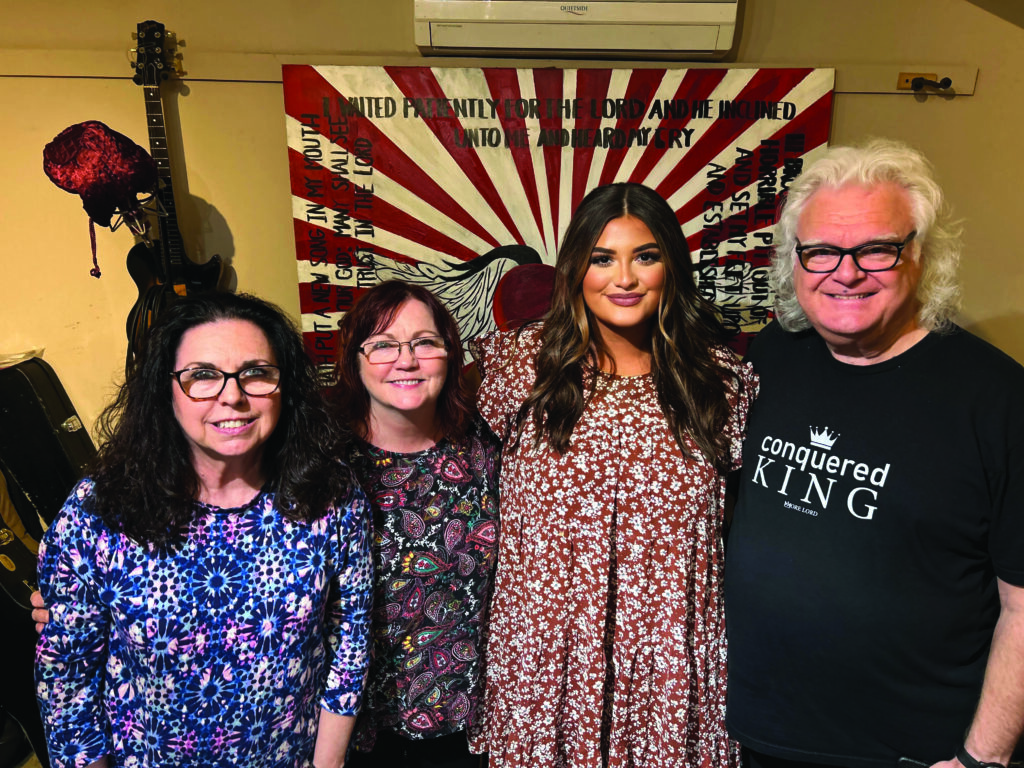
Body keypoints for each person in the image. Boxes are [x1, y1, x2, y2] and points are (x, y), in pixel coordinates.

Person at [724, 139, 1024, 768]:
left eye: (876, 249)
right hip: (760, 735)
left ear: (919, 254)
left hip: (913, 753)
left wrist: (981, 757)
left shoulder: (998, 398)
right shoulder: (774, 354)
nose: (847, 271)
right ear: (794, 261)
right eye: (823, 251)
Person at [468, 182, 757, 768]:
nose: (623, 278)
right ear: (577, 268)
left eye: (645, 256)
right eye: (603, 258)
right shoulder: (522, 365)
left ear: (671, 266)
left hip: (666, 665)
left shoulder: (720, 382)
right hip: (545, 659)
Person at [35, 292, 373, 768]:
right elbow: (66, 680)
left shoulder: (329, 495)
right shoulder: (101, 509)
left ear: (287, 387)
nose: (231, 395)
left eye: (256, 372)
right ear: (165, 391)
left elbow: (351, 640)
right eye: (202, 376)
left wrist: (327, 764)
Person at [333, 281, 499, 767]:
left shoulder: (488, 452)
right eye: (383, 345)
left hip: (471, 727)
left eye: (424, 342)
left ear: (449, 354)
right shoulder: (324, 466)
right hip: (358, 729)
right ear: (355, 360)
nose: (406, 361)